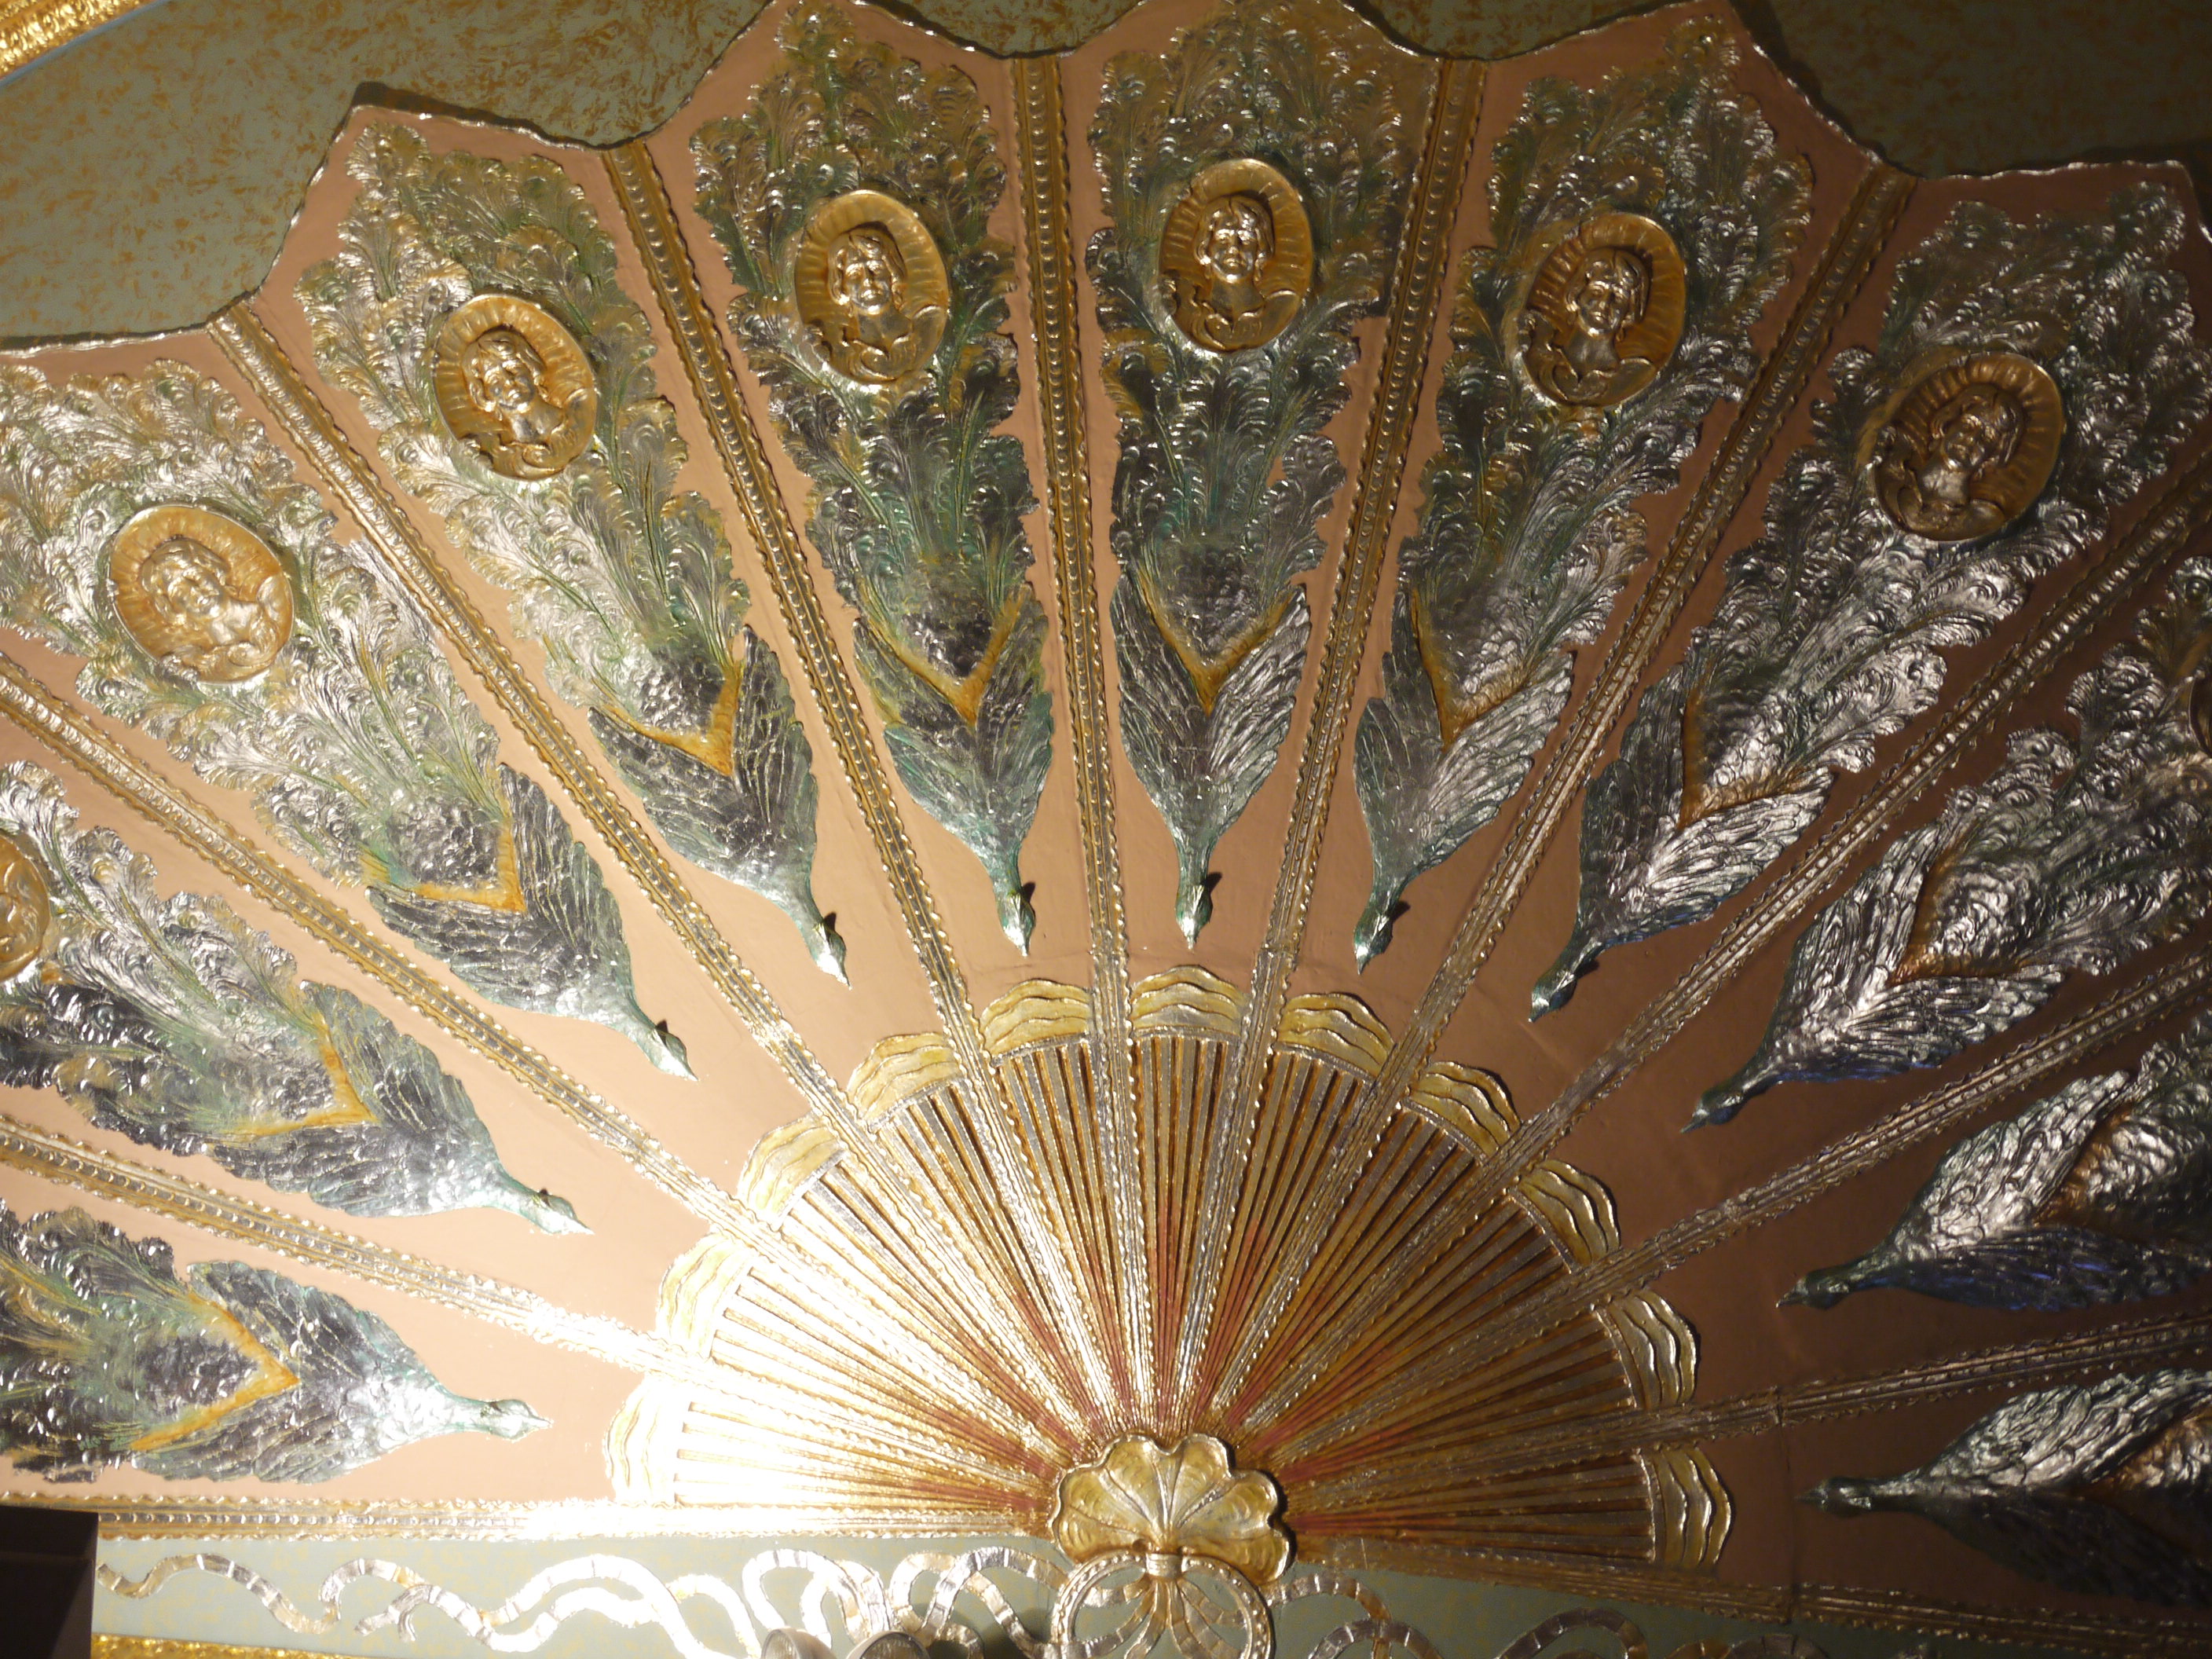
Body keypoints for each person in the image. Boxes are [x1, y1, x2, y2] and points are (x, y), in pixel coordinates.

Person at [1876, 378, 2026, 540]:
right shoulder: (1890, 462)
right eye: (1969, 425)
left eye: (1988, 438)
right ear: (1949, 422)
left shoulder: (1981, 520)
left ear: (1994, 455)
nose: (1972, 440)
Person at [135, 535, 284, 679]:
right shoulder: (200, 665)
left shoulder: (275, 601)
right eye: (179, 591)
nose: (194, 591)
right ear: (175, 610)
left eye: (194, 576)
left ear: (214, 572)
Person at [1528, 244, 1654, 405]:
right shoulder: (1537, 353)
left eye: (1618, 297)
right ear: (1578, 293)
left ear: (1629, 312)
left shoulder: (1636, 375)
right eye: (1597, 291)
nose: (1604, 304)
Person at [1179, 192, 1295, 352]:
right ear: (1206, 248)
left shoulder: (1283, 309)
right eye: (1223, 239)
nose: (1234, 248)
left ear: (1260, 250)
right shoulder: (1186, 309)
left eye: (1246, 239)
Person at [460, 325, 577, 471]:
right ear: (484, 393)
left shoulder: (577, 417)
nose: (508, 381)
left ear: (530, 367)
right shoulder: (503, 458)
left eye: (513, 368)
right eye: (494, 379)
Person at [823, 225, 919, 380]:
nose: (867, 280)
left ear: (892, 274)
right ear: (841, 286)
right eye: (854, 273)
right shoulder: (837, 354)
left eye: (876, 268)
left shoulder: (925, 328)